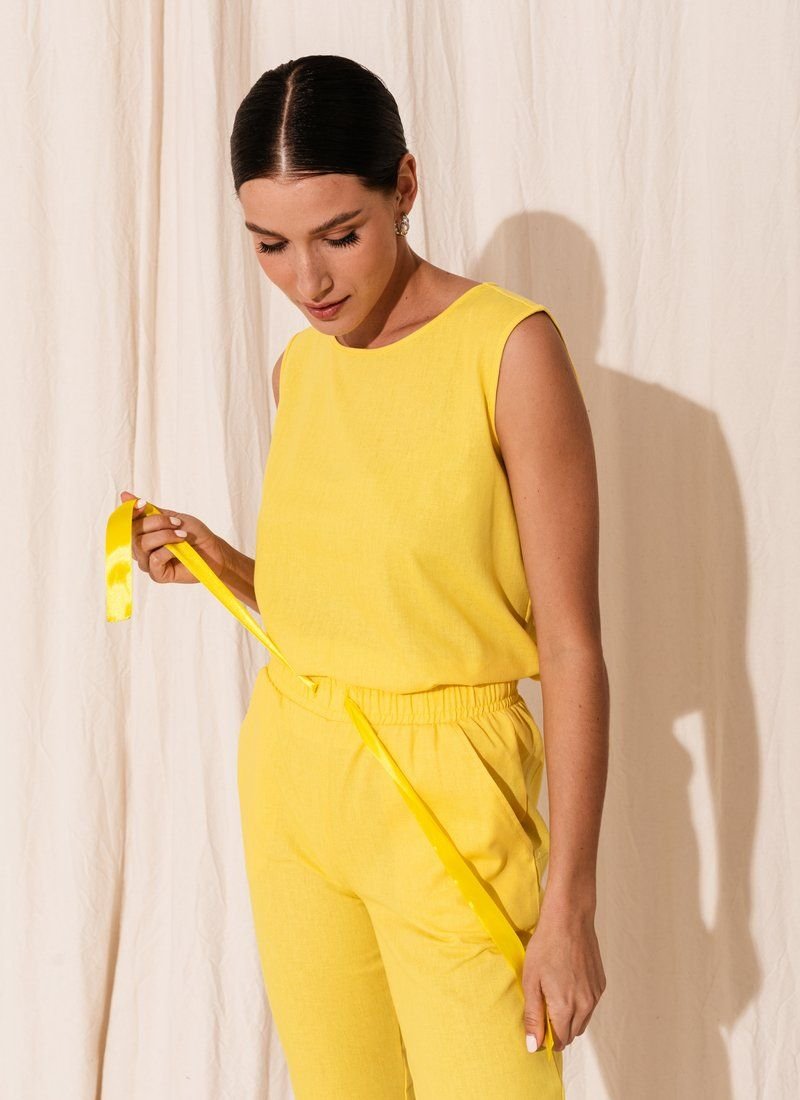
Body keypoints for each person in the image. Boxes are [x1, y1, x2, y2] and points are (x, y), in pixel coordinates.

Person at [120, 54, 608, 1100]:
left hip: (450, 790)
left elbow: (570, 644)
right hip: (293, 772)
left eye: (339, 234)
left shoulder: (508, 351)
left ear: (404, 186)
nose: (309, 282)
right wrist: (224, 564)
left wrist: (569, 902)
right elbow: (363, 600)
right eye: (270, 245)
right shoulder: (300, 367)